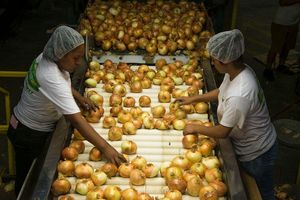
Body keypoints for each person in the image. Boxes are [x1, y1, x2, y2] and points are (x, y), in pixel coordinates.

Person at [7, 25, 126, 195]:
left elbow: (60, 86)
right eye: (76, 58)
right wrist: (107, 148)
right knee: (28, 184)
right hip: (28, 133)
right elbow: (76, 120)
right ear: (61, 54)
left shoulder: (48, 57)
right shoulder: (49, 74)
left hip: (21, 122)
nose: (78, 63)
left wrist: (79, 97)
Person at [177, 29, 277, 200]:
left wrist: (196, 127)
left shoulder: (240, 93)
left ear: (224, 61)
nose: (213, 62)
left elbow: (223, 131)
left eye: (214, 59)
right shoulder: (238, 72)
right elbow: (222, 91)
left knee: (263, 193)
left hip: (257, 152)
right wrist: (194, 99)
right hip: (249, 143)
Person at [264, 0, 300, 81]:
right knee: (275, 47)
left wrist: (296, 23)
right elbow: (282, 2)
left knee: (287, 46)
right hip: (280, 23)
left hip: (293, 24)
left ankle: (281, 65)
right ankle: (268, 69)